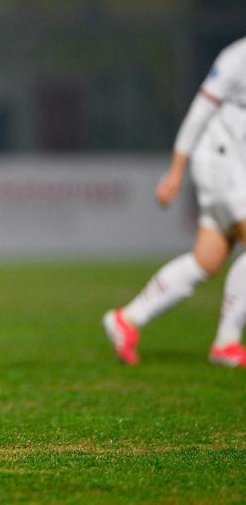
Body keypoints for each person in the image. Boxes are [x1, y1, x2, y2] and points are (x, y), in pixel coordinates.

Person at [103, 37, 246, 367]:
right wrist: (176, 171)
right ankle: (227, 342)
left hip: (235, 167)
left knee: (207, 260)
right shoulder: (237, 56)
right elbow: (200, 111)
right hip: (222, 164)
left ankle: (128, 318)